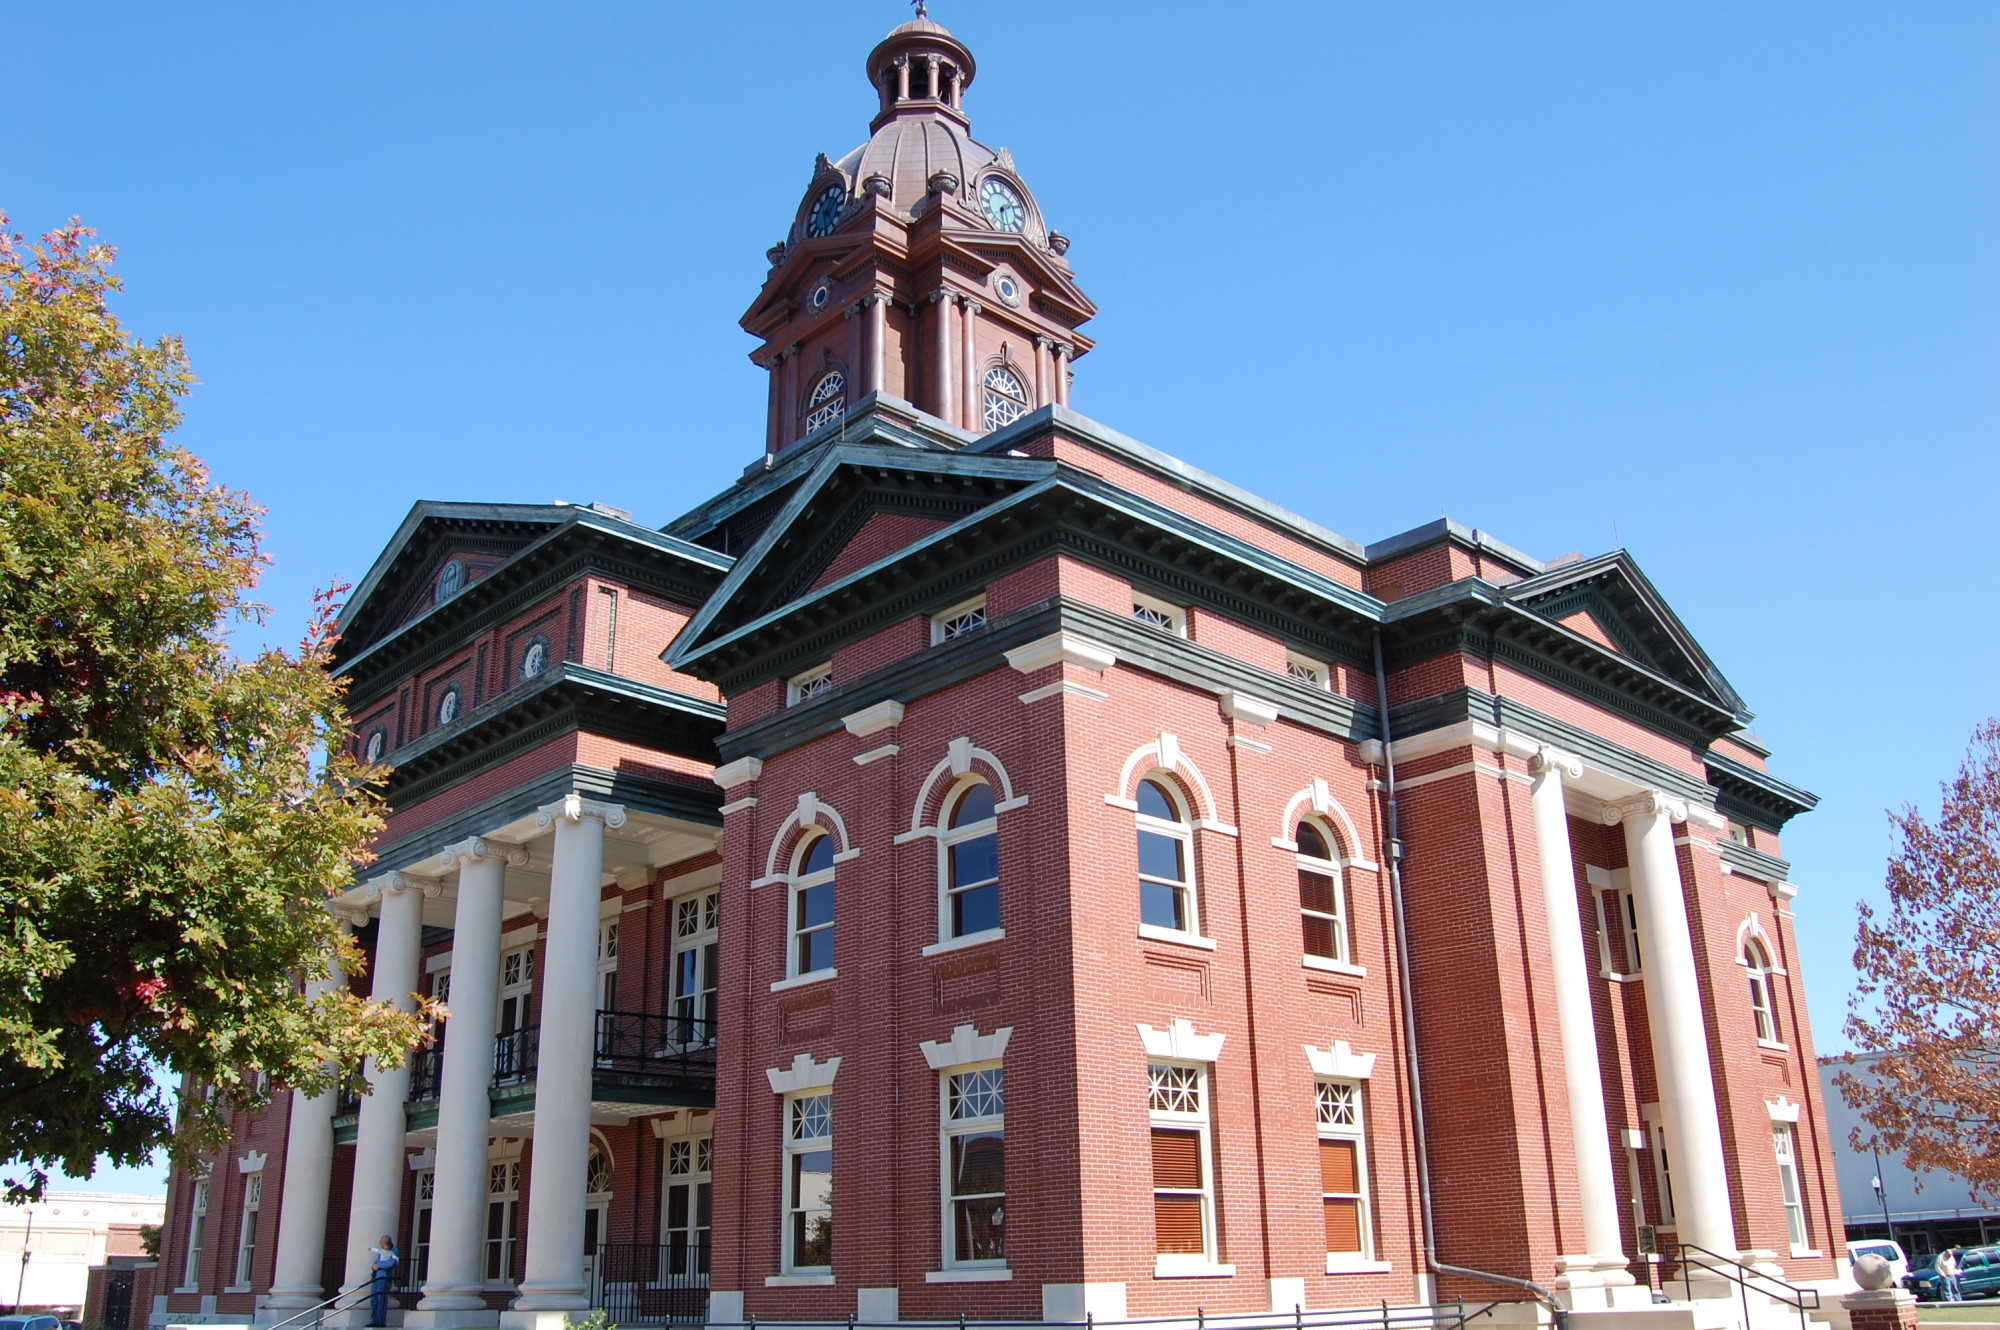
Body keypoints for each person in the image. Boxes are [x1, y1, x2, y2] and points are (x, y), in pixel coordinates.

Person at [368, 1235, 399, 1327]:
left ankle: (381, 1321)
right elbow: (376, 1261)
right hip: (376, 1277)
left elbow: (391, 1263)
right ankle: (375, 1320)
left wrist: (378, 1265)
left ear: (387, 1242)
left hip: (384, 1276)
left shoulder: (393, 1250)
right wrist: (374, 1266)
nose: (380, 1243)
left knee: (381, 1299)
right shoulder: (381, 1251)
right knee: (374, 1300)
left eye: (381, 1241)